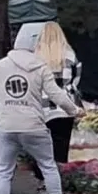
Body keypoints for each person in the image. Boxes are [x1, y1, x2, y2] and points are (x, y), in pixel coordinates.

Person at [0, 23, 82, 194]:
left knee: (4, 172)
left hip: (6, 126)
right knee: (49, 166)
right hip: (34, 125)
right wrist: (74, 110)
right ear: (33, 45)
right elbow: (56, 94)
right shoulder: (40, 67)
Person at [35, 22, 82, 164]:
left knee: (43, 149)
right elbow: (75, 82)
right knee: (62, 145)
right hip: (66, 106)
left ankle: (43, 180)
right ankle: (61, 176)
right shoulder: (70, 55)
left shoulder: (35, 57)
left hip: (41, 107)